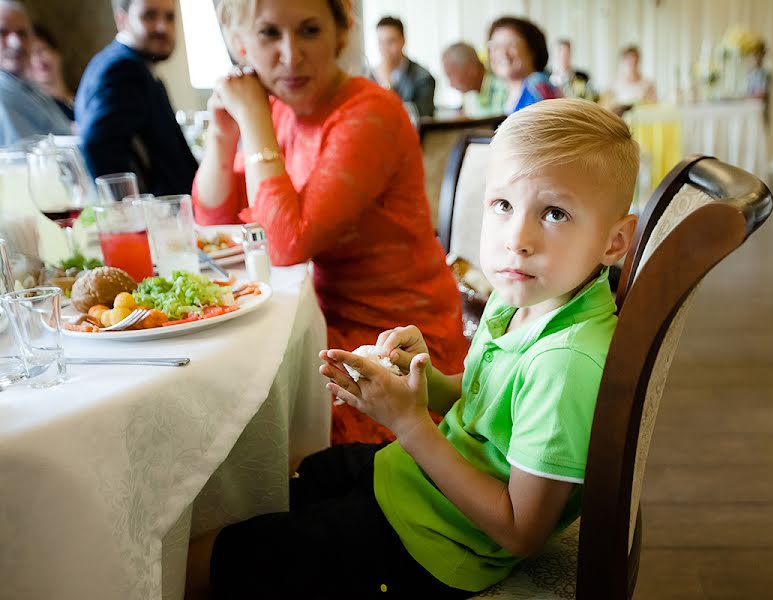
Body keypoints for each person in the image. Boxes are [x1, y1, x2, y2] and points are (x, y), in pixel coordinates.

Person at [184, 97, 639, 599]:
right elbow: (483, 402)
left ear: (614, 242)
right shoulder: (525, 297)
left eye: (554, 213)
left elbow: (520, 530)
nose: (517, 239)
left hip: (435, 548)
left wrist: (407, 422)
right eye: (503, 205)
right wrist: (421, 381)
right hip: (415, 485)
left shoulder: (566, 363)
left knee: (210, 557)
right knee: (287, 481)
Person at [192, 0, 468, 445]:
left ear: (341, 35)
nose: (291, 54)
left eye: (309, 31)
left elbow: (282, 243)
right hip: (319, 322)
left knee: (236, 411)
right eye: (268, 34)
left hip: (396, 342)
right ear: (241, 43)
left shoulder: (369, 112)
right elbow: (215, 221)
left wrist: (254, 120)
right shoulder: (280, 112)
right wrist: (223, 138)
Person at [75, 0, 197, 195]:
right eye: (149, 16)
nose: (162, 27)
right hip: (158, 218)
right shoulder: (123, 70)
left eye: (169, 17)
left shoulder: (127, 64)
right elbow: (99, 145)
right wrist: (131, 211)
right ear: (122, 19)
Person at [0, 0, 71, 148]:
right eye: (3, 32)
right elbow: (24, 159)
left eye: (22, 33)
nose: (16, 43)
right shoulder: (3, 92)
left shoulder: (30, 88)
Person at [487, 16, 561, 115]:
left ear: (532, 49)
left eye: (511, 44)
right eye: (495, 46)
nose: (502, 53)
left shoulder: (538, 85)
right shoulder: (502, 92)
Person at [371, 16, 435, 118]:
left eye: (390, 42)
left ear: (403, 41)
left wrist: (386, 83)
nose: (385, 48)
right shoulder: (370, 76)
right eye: (381, 42)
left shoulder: (423, 78)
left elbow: (420, 116)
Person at [441, 42, 506, 117]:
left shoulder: (502, 88)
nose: (450, 84)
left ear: (471, 70)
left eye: (451, 75)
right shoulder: (471, 96)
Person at [27, 24, 75, 121]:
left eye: (41, 50)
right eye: (30, 56)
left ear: (57, 53)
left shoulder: (84, 93)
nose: (37, 59)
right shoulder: (40, 112)